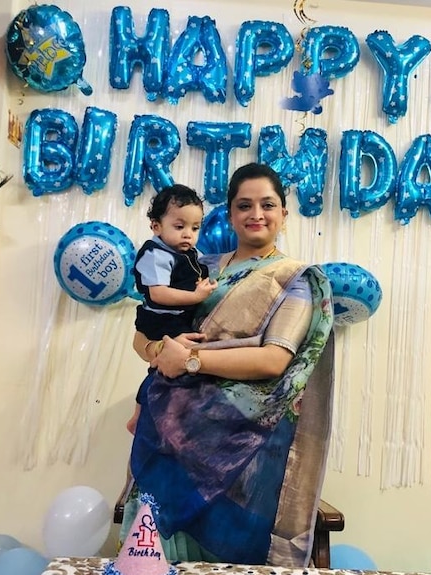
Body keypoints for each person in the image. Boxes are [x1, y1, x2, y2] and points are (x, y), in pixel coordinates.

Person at [120, 163, 335, 567]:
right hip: (170, 434)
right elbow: (143, 331)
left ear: (284, 214)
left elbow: (274, 359)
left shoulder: (295, 278)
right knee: (152, 556)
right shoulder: (199, 268)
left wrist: (191, 360)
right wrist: (159, 353)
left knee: (225, 558)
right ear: (231, 214)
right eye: (244, 205)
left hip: (242, 452)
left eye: (267, 204)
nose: (256, 214)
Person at [127, 184, 218, 434]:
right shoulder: (155, 253)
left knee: (168, 368)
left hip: (177, 317)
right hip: (160, 320)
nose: (188, 234)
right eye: (179, 227)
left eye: (195, 228)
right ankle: (140, 411)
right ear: (157, 226)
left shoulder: (189, 253)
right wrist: (195, 295)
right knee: (161, 368)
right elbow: (159, 293)